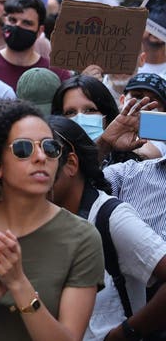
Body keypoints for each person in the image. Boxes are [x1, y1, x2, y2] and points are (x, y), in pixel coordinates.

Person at [0, 100, 104, 341]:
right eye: (23, 149)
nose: (40, 157)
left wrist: (19, 285)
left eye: (50, 148)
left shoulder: (82, 237)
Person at [48, 116, 166, 341]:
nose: (36, 166)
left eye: (48, 153)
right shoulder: (133, 174)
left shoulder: (111, 217)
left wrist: (124, 334)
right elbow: (86, 175)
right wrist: (103, 143)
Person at [0, 0, 70, 90]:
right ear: (5, 21)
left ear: (39, 31)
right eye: (12, 20)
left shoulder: (57, 74)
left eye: (26, 23)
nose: (17, 26)